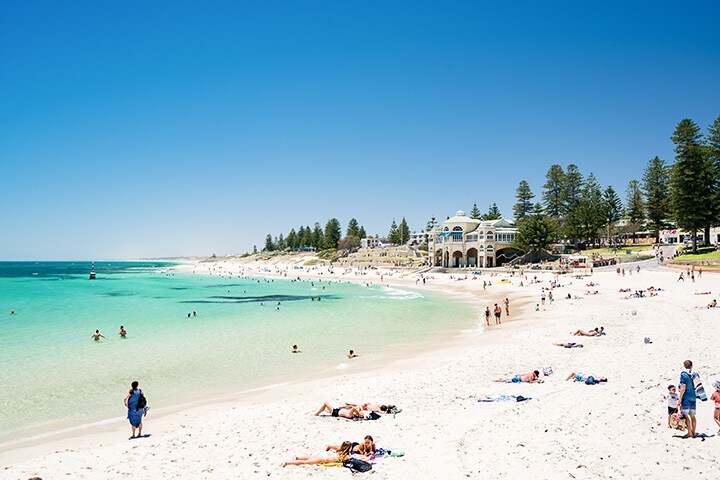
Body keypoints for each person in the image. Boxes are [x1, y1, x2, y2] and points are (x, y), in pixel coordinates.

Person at [283, 441, 357, 467]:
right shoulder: (346, 456)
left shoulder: (338, 448)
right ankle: (288, 463)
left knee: (310, 457)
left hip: (326, 454)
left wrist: (325, 451)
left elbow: (329, 446)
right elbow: (354, 459)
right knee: (306, 462)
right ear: (349, 448)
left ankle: (298, 458)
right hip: (324, 459)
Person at [677, 359, 697, 438]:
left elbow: (683, 387)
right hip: (693, 397)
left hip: (686, 398)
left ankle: (689, 433)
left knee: (685, 415)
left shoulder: (684, 375)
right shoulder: (695, 374)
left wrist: (680, 398)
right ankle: (694, 432)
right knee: (692, 415)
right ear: (691, 365)